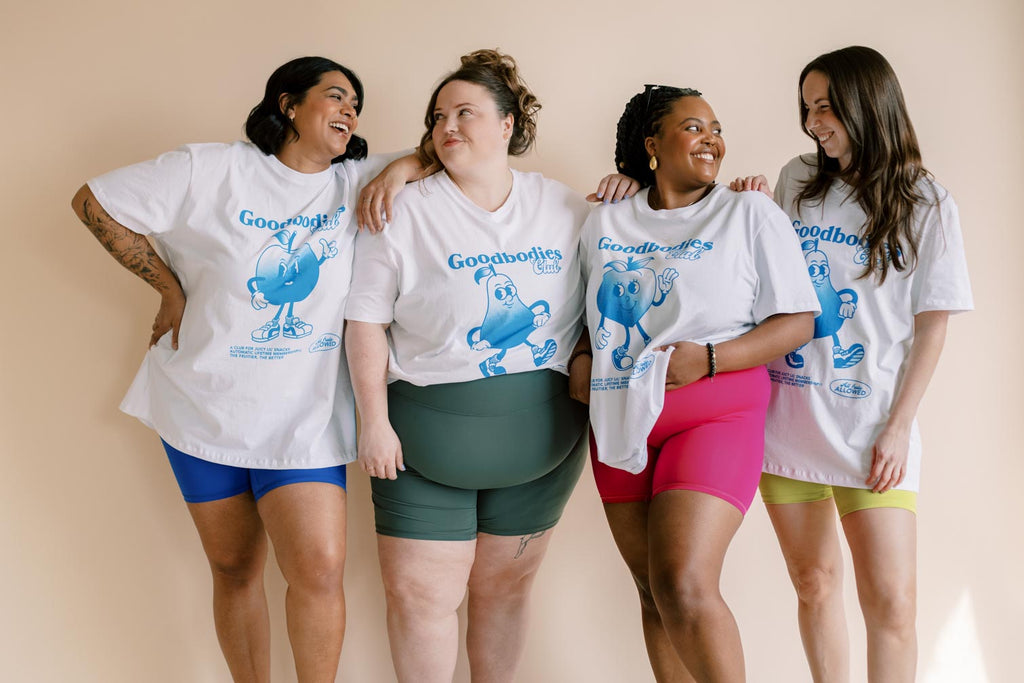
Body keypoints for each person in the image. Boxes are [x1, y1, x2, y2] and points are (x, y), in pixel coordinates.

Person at [71, 56, 419, 682]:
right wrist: (168, 289)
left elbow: (444, 153)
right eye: (336, 97)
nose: (350, 111)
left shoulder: (354, 180)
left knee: (318, 567)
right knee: (234, 569)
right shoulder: (209, 169)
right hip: (204, 405)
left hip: (305, 415)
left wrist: (400, 168)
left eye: (356, 105)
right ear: (288, 105)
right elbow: (94, 201)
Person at [344, 49, 600, 683]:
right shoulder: (399, 209)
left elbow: (621, 288)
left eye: (466, 112)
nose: (448, 126)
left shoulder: (567, 209)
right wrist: (372, 422)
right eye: (437, 117)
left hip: (544, 443)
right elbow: (365, 321)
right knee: (420, 600)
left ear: (509, 124)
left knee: (506, 594)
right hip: (422, 443)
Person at [732, 46, 973, 683]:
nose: (814, 122)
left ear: (868, 103)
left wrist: (899, 426)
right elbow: (757, 278)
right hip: (788, 418)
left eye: (825, 106)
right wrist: (746, 204)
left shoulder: (928, 202)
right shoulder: (796, 180)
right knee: (814, 584)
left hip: (872, 428)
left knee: (892, 601)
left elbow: (932, 328)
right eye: (807, 108)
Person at [576, 85, 819, 682]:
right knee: (653, 590)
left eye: (716, 126)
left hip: (715, 410)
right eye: (693, 127)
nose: (712, 137)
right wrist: (582, 363)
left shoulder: (748, 211)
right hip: (619, 419)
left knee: (685, 582)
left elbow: (798, 319)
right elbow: (583, 318)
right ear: (652, 145)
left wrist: (710, 359)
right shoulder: (603, 221)